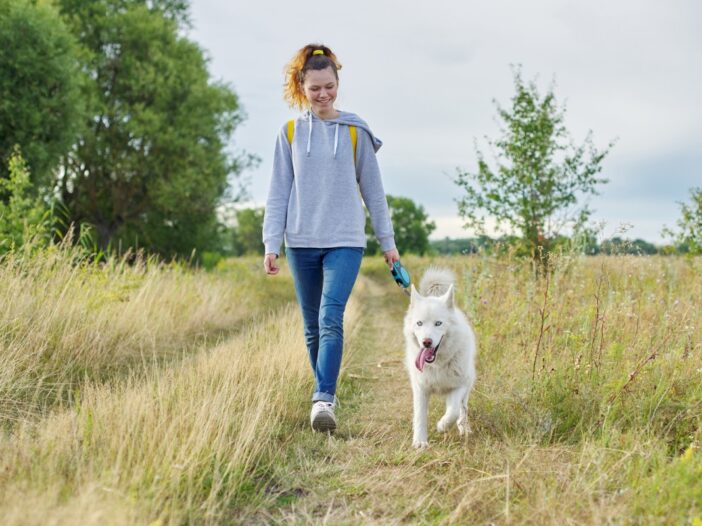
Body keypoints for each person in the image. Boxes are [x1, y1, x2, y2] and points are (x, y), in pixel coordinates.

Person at [262, 43, 400, 433]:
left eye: (329, 87)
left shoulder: (356, 132)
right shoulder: (289, 133)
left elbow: (374, 192)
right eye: (315, 88)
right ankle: (324, 395)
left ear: (338, 82)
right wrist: (271, 243)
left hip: (345, 240)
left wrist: (387, 244)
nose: (323, 95)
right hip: (301, 241)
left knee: (329, 317)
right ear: (301, 87)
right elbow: (278, 192)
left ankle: (323, 397)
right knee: (311, 327)